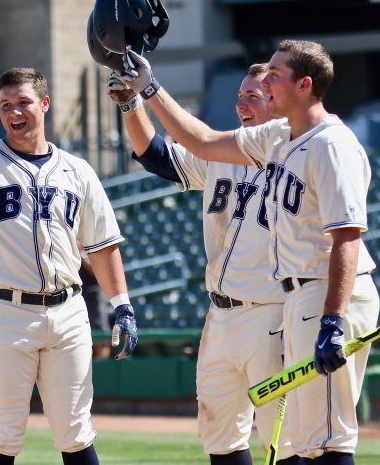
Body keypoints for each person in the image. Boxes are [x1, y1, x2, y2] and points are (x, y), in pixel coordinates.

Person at [115, 40, 380, 464]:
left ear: (304, 85)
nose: (265, 84)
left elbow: (347, 237)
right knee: (310, 439)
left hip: (310, 296)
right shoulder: (276, 138)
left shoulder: (332, 145)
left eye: (274, 76)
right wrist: (147, 89)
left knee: (324, 438)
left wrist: (333, 318)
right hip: (280, 300)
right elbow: (198, 139)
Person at [0, 67, 138, 465]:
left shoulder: (77, 170)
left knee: (76, 432)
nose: (14, 112)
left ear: (44, 105)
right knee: (3, 436)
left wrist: (123, 305)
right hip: (6, 313)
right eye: (5, 105)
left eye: (23, 103)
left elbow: (103, 246)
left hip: (68, 313)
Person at [110, 63, 299, 464]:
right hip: (221, 316)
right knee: (220, 438)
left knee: (283, 442)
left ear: (279, 102)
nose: (241, 103)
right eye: (240, 95)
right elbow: (155, 155)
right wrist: (130, 105)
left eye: (254, 95)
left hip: (272, 314)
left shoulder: (295, 156)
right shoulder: (220, 155)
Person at [78, 255, 112, 359]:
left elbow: (98, 272)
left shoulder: (90, 249)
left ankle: (102, 368)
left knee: (101, 336)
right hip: (76, 296)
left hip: (94, 296)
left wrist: (82, 256)